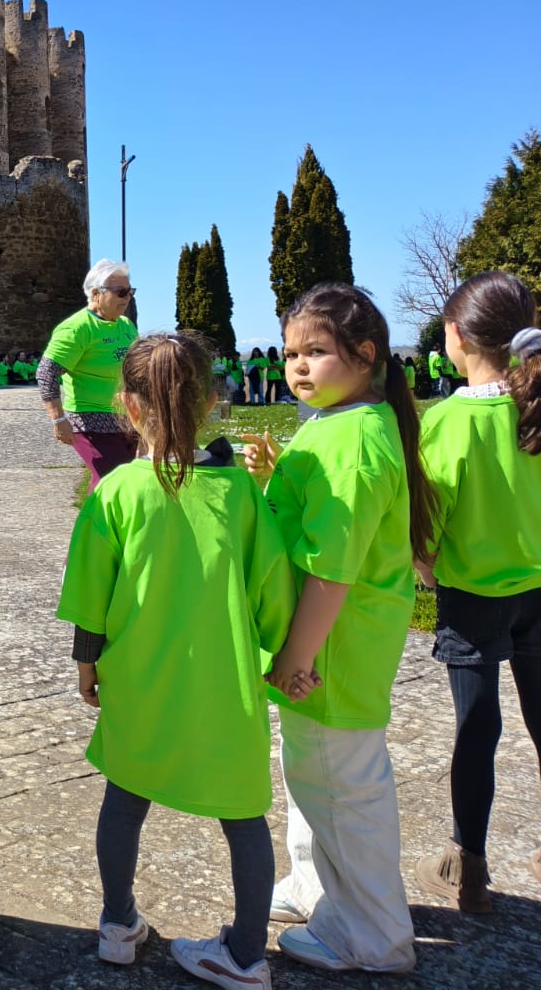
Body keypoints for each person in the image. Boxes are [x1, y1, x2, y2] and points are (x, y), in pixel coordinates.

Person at [60, 332, 296, 989]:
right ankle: (248, 954)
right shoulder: (241, 495)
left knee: (125, 795)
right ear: (215, 402)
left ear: (126, 407)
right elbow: (272, 587)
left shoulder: (115, 492)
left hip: (139, 677)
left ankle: (116, 925)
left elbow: (90, 588)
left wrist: (87, 661)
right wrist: (285, 655)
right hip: (225, 683)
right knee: (244, 814)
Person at [241, 283, 433, 974]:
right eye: (291, 352)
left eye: (316, 352)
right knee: (313, 775)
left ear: (364, 354)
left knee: (345, 791)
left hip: (333, 644)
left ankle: (375, 935)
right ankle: (314, 888)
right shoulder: (339, 422)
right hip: (329, 640)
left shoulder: (352, 437)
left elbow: (332, 569)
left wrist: (297, 653)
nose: (296, 365)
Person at [410, 272, 541, 912]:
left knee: (476, 729)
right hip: (539, 587)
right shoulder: (533, 403)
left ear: (456, 337)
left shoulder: (454, 417)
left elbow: (428, 521)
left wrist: (427, 570)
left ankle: (470, 869)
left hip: (474, 596)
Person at [38, 260, 140, 489]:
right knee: (111, 482)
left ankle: (107, 524)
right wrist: (58, 419)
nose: (127, 298)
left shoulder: (126, 325)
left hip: (127, 418)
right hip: (91, 420)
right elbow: (46, 373)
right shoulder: (77, 329)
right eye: (121, 292)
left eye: (130, 291)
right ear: (95, 293)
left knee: (131, 481)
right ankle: (94, 524)